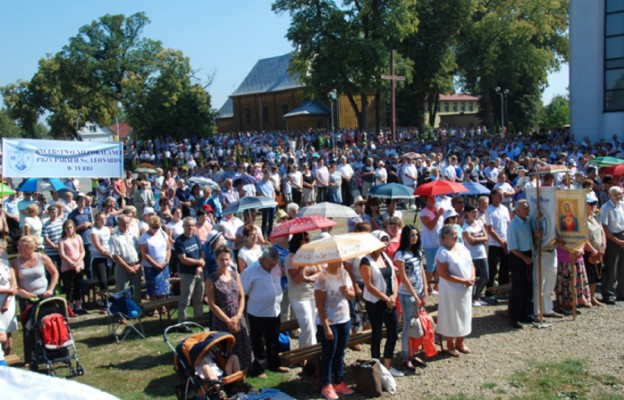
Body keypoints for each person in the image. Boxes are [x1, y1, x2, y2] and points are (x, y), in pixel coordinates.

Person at [360, 233, 403, 377]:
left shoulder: (386, 258)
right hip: (375, 302)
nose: (385, 243)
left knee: (393, 332)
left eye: (386, 240)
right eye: (382, 240)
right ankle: (376, 368)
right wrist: (386, 298)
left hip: (389, 300)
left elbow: (394, 278)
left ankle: (388, 365)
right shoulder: (366, 261)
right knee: (377, 334)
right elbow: (369, 285)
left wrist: (394, 296)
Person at [205, 245, 253, 374]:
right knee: (226, 347)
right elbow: (212, 304)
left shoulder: (234, 275)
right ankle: (227, 373)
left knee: (242, 343)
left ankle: (243, 371)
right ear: (216, 260)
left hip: (237, 316)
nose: (225, 262)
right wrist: (228, 320)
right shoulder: (211, 279)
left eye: (227, 259)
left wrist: (237, 317)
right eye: (221, 260)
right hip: (222, 319)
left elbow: (241, 296)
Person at [241, 248, 287, 377]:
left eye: (275, 263)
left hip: (274, 310)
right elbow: (242, 292)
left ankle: (274, 364)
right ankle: (259, 368)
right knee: (258, 341)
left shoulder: (276, 267)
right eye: (271, 264)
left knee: (273, 339)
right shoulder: (250, 271)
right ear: (263, 259)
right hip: (258, 312)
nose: (273, 266)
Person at [315, 258, 355, 400]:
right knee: (329, 353)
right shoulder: (322, 278)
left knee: (340, 352)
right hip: (329, 321)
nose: (340, 261)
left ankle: (339, 381)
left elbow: (352, 295)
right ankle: (327, 385)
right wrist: (326, 327)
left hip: (343, 319)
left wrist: (347, 292)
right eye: (337, 259)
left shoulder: (344, 273)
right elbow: (319, 305)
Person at [435, 225, 475, 355]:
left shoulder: (462, 247)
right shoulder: (442, 252)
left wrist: (472, 277)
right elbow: (443, 274)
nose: (456, 236)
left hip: (465, 289)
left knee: (465, 313)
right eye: (453, 234)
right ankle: (450, 343)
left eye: (457, 234)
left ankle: (460, 342)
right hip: (450, 290)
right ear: (445, 237)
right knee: (451, 315)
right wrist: (463, 281)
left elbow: (471, 263)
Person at [394, 225, 428, 370]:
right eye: (412, 235)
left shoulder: (417, 252)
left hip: (419, 292)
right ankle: (405, 355)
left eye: (416, 235)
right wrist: (415, 295)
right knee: (408, 325)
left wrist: (425, 291)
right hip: (408, 294)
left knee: (416, 324)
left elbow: (422, 272)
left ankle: (413, 352)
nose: (415, 237)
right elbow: (403, 277)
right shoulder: (400, 254)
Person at [285, 232, 321, 350]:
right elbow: (296, 280)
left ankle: (305, 354)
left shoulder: (311, 254)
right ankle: (311, 355)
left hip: (312, 295)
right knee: (307, 325)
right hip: (298, 297)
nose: (308, 242)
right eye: (305, 239)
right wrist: (302, 265)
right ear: (299, 241)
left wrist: (310, 278)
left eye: (308, 239)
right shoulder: (291, 258)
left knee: (314, 326)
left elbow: (320, 272)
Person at [506, 200, 534, 328]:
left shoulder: (527, 221)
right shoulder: (513, 225)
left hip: (527, 254)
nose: (528, 210)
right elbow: (512, 247)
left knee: (528, 286)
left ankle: (525, 313)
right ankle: (514, 317)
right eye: (525, 208)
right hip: (518, 256)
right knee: (518, 288)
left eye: (528, 208)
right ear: (518, 210)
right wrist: (524, 258)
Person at [174, 216, 205, 328]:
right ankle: (182, 323)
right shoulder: (179, 241)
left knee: (198, 298)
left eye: (192, 225)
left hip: (199, 272)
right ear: (183, 226)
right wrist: (199, 263)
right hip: (187, 274)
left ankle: (199, 319)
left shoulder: (195, 238)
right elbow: (184, 259)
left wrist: (201, 265)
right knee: (185, 299)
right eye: (188, 225)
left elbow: (202, 252)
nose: (190, 227)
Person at [139, 216, 171, 315]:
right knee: (152, 289)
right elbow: (144, 254)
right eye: (154, 227)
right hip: (151, 266)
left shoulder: (163, 234)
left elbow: (168, 249)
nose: (156, 229)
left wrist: (166, 261)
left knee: (163, 288)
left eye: (157, 227)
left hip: (163, 265)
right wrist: (155, 264)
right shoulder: (144, 237)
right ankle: (154, 308)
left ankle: (162, 305)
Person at [599, 186, 624, 304]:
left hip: (622, 235)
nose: (619, 196)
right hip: (612, 238)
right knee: (611, 268)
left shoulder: (622, 205)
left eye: (620, 194)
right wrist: (617, 241)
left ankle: (621, 292)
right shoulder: (605, 208)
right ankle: (608, 294)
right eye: (616, 194)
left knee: (622, 267)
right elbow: (604, 228)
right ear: (610, 196)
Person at [109, 215, 142, 305]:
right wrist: (127, 268)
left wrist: (138, 265)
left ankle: (136, 312)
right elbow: (115, 256)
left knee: (136, 291)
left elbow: (140, 251)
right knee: (122, 291)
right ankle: (121, 315)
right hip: (122, 267)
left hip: (135, 266)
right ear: (118, 224)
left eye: (127, 223)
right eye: (123, 223)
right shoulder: (114, 237)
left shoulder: (134, 235)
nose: (125, 225)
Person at [462, 205, 490, 306]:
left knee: (485, 276)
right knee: (472, 277)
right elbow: (471, 242)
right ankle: (471, 298)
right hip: (472, 256)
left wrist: (477, 239)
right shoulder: (465, 227)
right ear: (467, 214)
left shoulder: (479, 223)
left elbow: (486, 237)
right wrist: (480, 239)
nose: (475, 214)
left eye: (476, 212)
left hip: (482, 254)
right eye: (473, 212)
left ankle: (477, 296)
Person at [485, 188, 510, 295]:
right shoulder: (489, 210)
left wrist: (508, 241)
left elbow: (508, 225)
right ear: (493, 196)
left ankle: (502, 291)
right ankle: (490, 292)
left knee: (505, 268)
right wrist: (501, 242)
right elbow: (490, 230)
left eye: (502, 195)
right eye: (499, 195)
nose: (502, 197)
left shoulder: (504, 209)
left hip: (506, 242)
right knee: (493, 269)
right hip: (495, 244)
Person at [58, 220, 87, 315]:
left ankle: (78, 306)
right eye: (67, 228)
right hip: (67, 266)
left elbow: (82, 251)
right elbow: (62, 254)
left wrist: (77, 263)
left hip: (79, 264)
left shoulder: (78, 237)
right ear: (64, 229)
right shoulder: (62, 240)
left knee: (78, 286)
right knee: (69, 287)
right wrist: (71, 263)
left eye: (70, 227)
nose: (69, 229)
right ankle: (70, 308)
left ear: (74, 228)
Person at [584, 192, 606, 306]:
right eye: (591, 204)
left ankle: (592, 297)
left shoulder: (595, 217)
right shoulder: (582, 219)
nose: (593, 206)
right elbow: (583, 237)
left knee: (597, 274)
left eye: (595, 204)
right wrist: (592, 249)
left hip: (598, 249)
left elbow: (602, 232)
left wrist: (603, 246)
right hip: (588, 251)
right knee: (588, 274)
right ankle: (586, 297)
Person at [420, 195, 444, 294]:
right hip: (429, 243)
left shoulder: (436, 208)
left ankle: (436, 285)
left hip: (439, 241)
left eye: (434, 198)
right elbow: (430, 226)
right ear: (426, 201)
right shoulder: (423, 213)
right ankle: (429, 286)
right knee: (430, 265)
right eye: (431, 198)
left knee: (439, 265)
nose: (433, 200)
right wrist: (437, 215)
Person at [90, 212, 113, 302]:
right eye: (100, 219)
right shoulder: (94, 231)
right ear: (96, 220)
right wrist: (105, 252)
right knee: (103, 281)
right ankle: (105, 301)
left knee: (107, 280)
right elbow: (97, 245)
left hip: (109, 256)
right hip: (99, 257)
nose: (103, 221)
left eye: (104, 219)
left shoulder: (107, 229)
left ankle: (108, 299)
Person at [0, 242, 17, 356]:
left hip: (8, 301)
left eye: (1, 248)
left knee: (8, 332)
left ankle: (6, 357)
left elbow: (14, 284)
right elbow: (10, 289)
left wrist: (8, 299)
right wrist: (8, 291)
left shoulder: (7, 264)